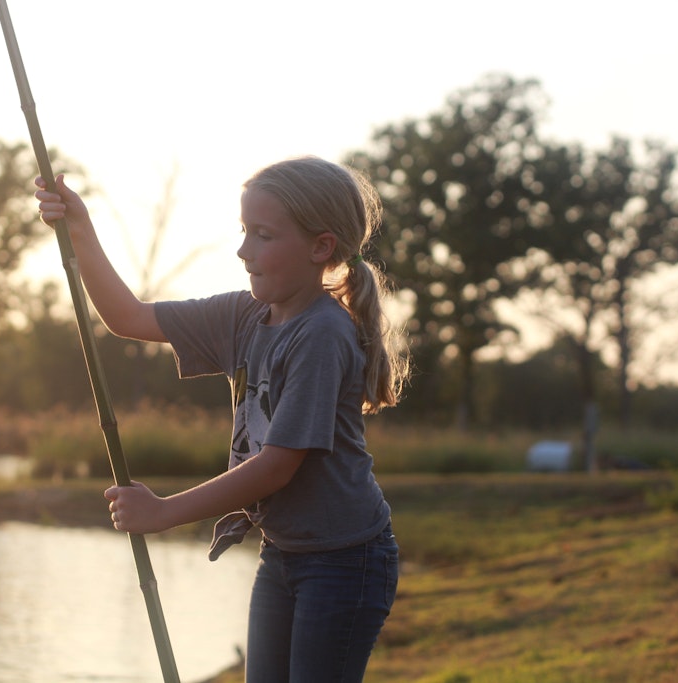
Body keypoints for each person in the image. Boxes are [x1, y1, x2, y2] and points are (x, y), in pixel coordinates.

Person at [35, 155, 410, 682]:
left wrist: (163, 512)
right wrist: (78, 230)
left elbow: (278, 466)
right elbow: (128, 317)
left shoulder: (322, 334)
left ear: (320, 247)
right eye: (243, 232)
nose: (242, 251)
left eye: (262, 235)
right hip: (284, 551)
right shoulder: (247, 313)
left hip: (345, 561)